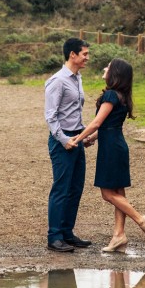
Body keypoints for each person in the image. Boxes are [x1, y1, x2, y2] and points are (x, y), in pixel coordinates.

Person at [67, 58, 145, 252]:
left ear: (115, 73)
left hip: (111, 150)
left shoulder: (110, 95)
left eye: (108, 67)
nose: (104, 68)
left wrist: (77, 139)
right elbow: (108, 126)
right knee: (118, 192)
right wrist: (91, 139)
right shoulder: (122, 96)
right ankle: (119, 236)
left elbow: (97, 123)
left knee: (107, 194)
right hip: (116, 145)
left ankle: (143, 220)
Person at [44, 37, 93, 253]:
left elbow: (74, 112)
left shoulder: (77, 78)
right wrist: (64, 140)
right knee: (61, 189)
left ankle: (67, 233)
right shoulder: (57, 81)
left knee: (75, 188)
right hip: (62, 141)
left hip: (77, 138)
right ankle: (54, 237)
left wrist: (84, 136)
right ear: (72, 55)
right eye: (84, 54)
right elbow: (51, 116)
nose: (87, 58)